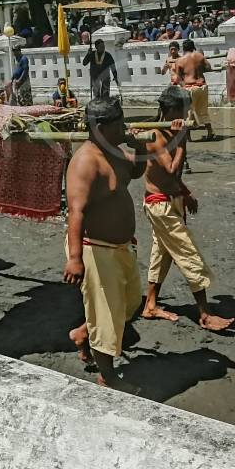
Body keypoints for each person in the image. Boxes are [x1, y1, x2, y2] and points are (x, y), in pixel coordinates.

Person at [63, 97, 146, 392]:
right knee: (107, 316)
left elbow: (134, 173)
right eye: (118, 123)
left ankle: (84, 334)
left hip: (121, 247)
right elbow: (76, 211)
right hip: (94, 247)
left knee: (132, 301)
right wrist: (74, 257)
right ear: (99, 127)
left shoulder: (114, 152)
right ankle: (107, 376)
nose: (124, 127)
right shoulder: (85, 162)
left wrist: (141, 149)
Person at [140, 86, 235, 331]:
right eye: (183, 109)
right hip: (159, 204)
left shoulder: (170, 134)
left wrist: (185, 192)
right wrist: (182, 139)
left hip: (171, 199)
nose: (187, 113)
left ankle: (150, 304)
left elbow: (172, 177)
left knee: (161, 254)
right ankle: (204, 313)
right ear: (171, 110)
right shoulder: (154, 136)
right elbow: (171, 168)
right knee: (187, 252)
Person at [171, 39, 214, 140]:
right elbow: (208, 67)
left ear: (183, 49)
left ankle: (188, 137)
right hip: (202, 86)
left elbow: (178, 78)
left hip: (190, 87)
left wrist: (183, 87)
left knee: (188, 113)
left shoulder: (180, 61)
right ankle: (210, 132)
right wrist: (199, 68)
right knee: (203, 112)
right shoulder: (199, 56)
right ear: (193, 47)